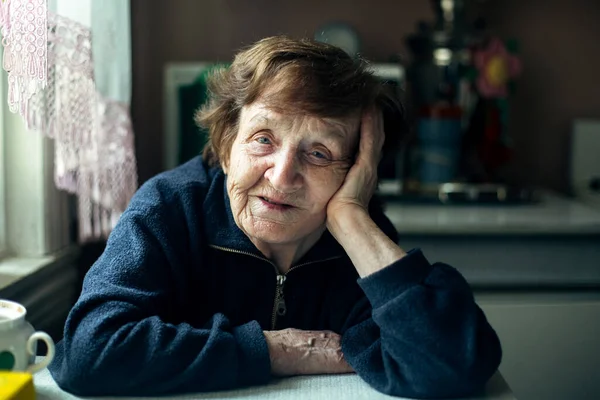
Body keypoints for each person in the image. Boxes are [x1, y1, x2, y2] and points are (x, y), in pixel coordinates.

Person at [49, 36, 501, 398]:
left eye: (320, 152)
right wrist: (277, 350)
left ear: (357, 172)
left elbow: (451, 367)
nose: (283, 176)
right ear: (226, 145)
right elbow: (91, 351)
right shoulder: (169, 209)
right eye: (263, 139)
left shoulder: (358, 239)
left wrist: (351, 219)